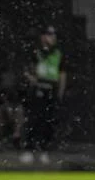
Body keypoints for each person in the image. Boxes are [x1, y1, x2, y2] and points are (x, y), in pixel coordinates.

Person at [23, 25, 65, 165]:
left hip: (51, 89)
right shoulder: (36, 52)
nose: (53, 38)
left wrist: (60, 93)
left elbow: (62, 73)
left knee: (48, 121)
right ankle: (29, 149)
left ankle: (44, 149)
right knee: (34, 119)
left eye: (54, 35)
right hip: (38, 89)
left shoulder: (58, 53)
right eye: (49, 35)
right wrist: (32, 79)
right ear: (42, 37)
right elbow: (27, 70)